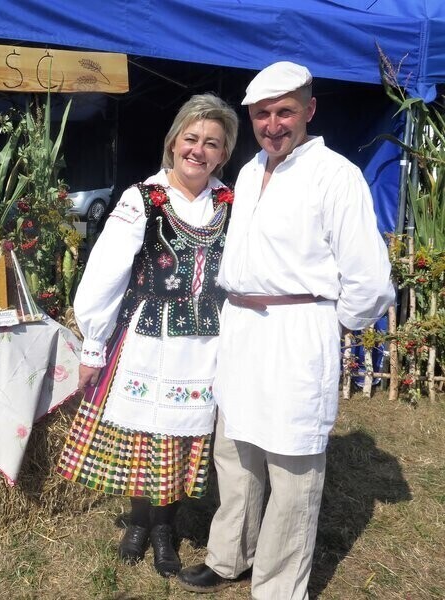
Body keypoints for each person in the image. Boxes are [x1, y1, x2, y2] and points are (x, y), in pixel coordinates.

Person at [176, 62, 395, 599]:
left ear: (309, 111)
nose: (273, 124)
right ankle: (230, 556)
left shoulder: (335, 175)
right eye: (262, 114)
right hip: (243, 328)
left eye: (284, 112)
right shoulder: (249, 172)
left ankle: (276, 587)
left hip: (298, 329)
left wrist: (329, 326)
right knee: (236, 450)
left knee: (293, 465)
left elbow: (368, 276)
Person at [56, 93, 238, 578]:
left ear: (224, 153)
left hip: (205, 342)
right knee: (143, 432)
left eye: (212, 143)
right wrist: (93, 343)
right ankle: (140, 522)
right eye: (191, 138)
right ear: (174, 142)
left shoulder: (233, 204)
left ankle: (165, 526)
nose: (198, 150)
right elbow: (105, 272)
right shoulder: (144, 199)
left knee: (183, 437)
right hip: (148, 338)